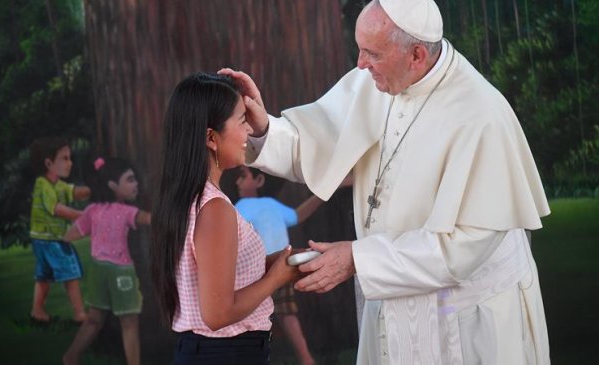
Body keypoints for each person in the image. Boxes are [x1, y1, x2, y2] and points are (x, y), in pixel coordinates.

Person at [219, 0, 552, 364]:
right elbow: (314, 145)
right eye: (359, 49)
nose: (360, 64)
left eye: (371, 53)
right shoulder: (373, 81)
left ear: (417, 55)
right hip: (396, 306)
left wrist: (358, 259)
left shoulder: (481, 116)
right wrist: (263, 125)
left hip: (464, 323)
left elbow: (462, 249)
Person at [150, 73, 300, 365]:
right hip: (226, 354)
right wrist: (276, 279)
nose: (249, 132)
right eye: (243, 120)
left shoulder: (189, 198)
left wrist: (279, 263)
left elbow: (217, 277)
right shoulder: (215, 208)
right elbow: (218, 314)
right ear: (210, 137)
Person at [62, 157, 151, 365]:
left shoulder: (93, 211)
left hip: (97, 269)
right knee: (128, 321)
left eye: (135, 179)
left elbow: (71, 234)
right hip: (121, 273)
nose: (135, 184)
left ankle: (71, 355)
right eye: (129, 180)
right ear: (112, 185)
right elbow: (149, 218)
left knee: (95, 319)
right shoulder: (127, 211)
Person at [234, 165, 323, 365]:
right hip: (270, 269)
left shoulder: (242, 208)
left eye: (242, 177)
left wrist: (321, 195)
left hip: (272, 269)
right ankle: (305, 359)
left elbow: (297, 215)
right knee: (282, 314)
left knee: (281, 314)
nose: (238, 182)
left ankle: (305, 358)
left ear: (259, 181)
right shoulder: (240, 208)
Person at [29, 137, 90, 323]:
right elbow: (56, 209)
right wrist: (84, 216)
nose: (70, 163)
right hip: (52, 239)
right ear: (49, 163)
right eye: (65, 158)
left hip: (41, 239)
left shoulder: (59, 185)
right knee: (70, 273)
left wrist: (95, 187)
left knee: (44, 276)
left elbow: (76, 192)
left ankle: (37, 310)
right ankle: (80, 314)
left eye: (70, 158)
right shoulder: (43, 184)